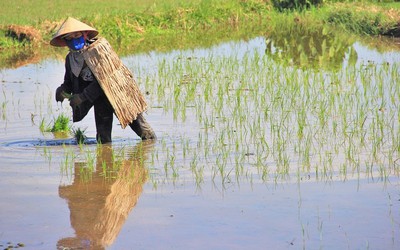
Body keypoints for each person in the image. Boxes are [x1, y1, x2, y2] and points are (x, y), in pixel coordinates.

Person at [50, 17, 156, 143]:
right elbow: (69, 82)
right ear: (65, 41)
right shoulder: (71, 58)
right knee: (103, 138)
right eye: (69, 38)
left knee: (143, 131)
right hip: (99, 97)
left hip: (119, 92)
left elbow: (105, 80)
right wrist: (62, 90)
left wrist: (82, 97)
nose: (74, 39)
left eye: (77, 35)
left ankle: (150, 149)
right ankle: (105, 158)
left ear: (85, 35)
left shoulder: (99, 50)